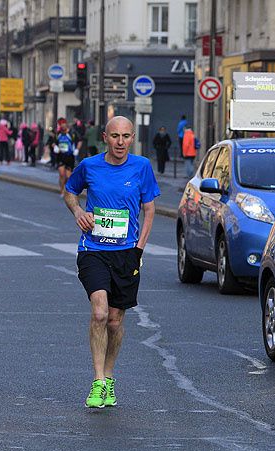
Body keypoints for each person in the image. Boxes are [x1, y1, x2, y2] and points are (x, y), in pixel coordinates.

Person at [63, 116, 160, 409]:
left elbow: (150, 209)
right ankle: (98, 381)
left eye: (126, 136)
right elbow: (69, 192)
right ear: (105, 137)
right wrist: (78, 211)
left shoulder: (142, 167)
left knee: (116, 321)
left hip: (126, 253)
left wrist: (139, 250)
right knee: (100, 313)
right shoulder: (89, 166)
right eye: (115, 136)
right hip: (92, 250)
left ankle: (109, 375)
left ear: (132, 138)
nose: (120, 142)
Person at [53, 119, 82, 196]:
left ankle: (66, 188)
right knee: (62, 174)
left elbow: (79, 141)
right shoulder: (58, 134)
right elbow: (53, 142)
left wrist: (77, 149)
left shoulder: (72, 133)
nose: (62, 126)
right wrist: (55, 146)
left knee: (68, 176)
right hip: (60, 156)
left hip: (70, 156)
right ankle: (62, 190)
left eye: (64, 124)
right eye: (61, 124)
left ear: (66, 124)